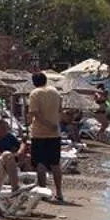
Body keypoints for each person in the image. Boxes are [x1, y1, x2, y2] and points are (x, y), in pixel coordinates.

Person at [26, 72, 65, 203]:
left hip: (39, 133)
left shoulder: (35, 93)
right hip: (55, 133)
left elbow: (35, 114)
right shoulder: (55, 92)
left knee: (40, 163)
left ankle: (43, 191)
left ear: (34, 82)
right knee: (55, 163)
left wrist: (47, 124)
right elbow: (60, 110)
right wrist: (53, 123)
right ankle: (59, 192)